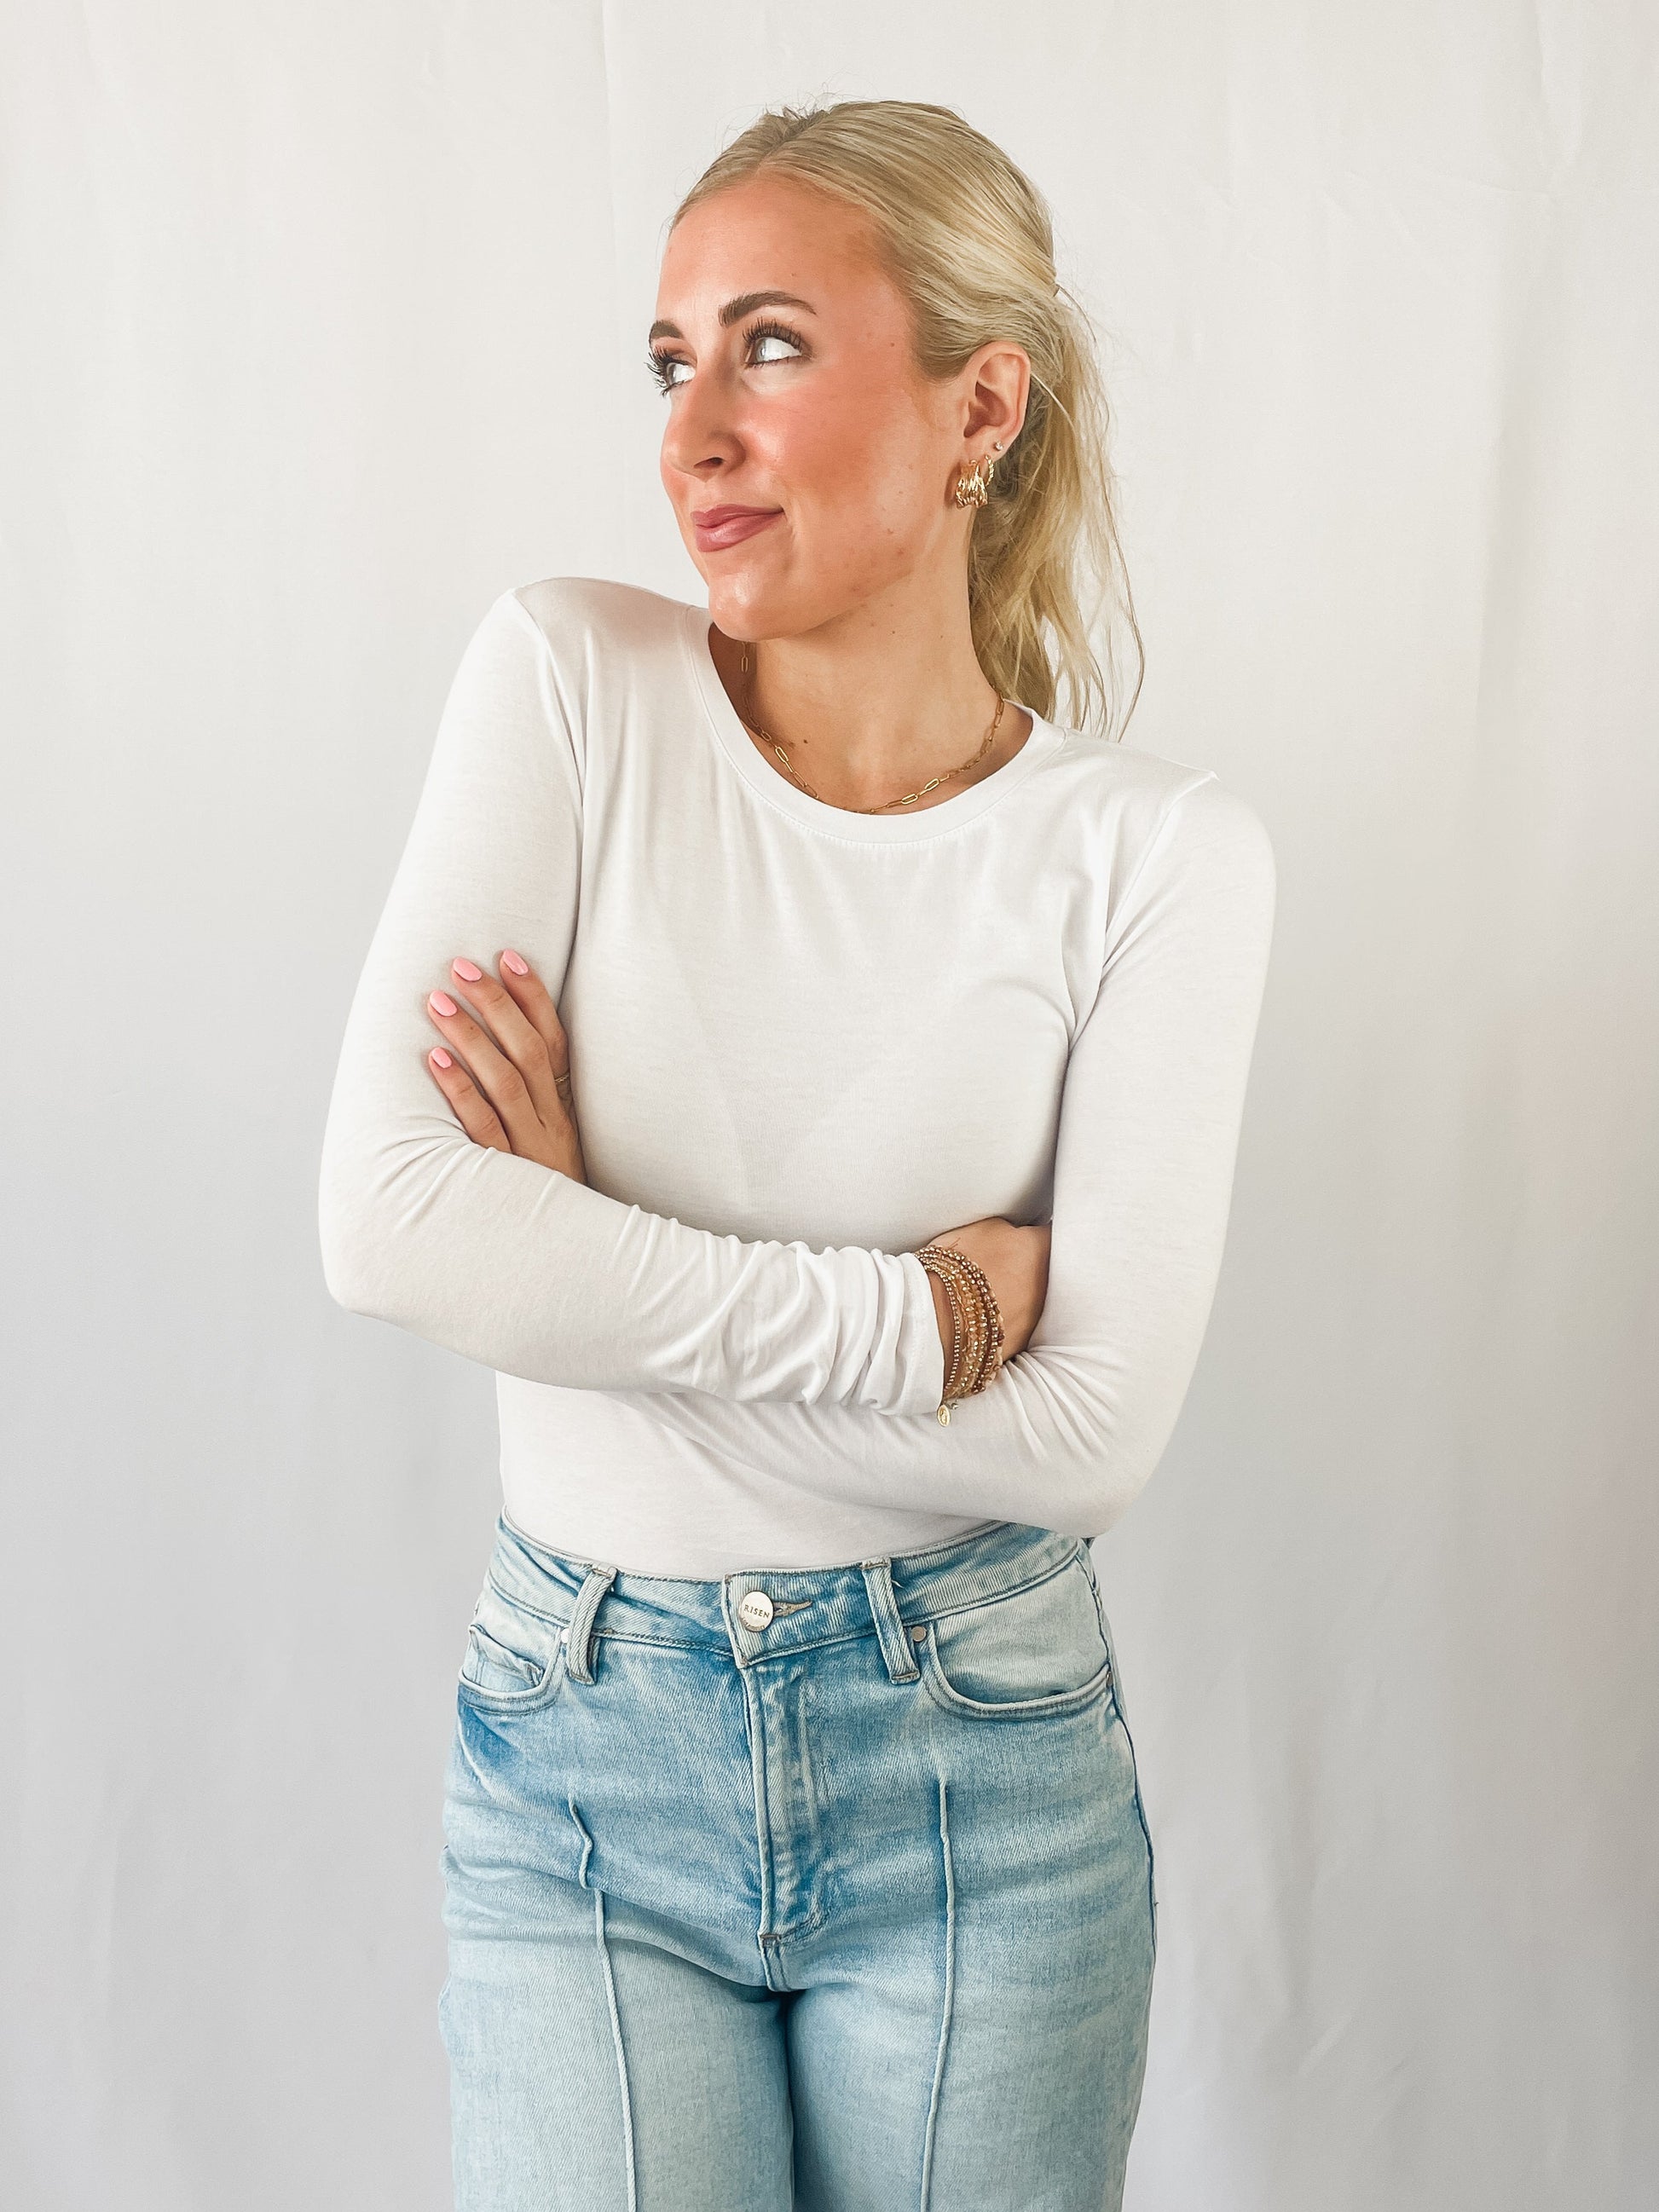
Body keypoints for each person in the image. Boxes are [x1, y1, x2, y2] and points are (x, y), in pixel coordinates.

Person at [318, 96, 1276, 2212]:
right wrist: (924, 1318)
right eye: (671, 360)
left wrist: (579, 1260)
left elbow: (1088, 1439)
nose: (691, 433)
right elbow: (389, 1224)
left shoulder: (1158, 858)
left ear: (978, 408)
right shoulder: (570, 680)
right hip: (583, 1760)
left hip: (983, 1771)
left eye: (767, 345)